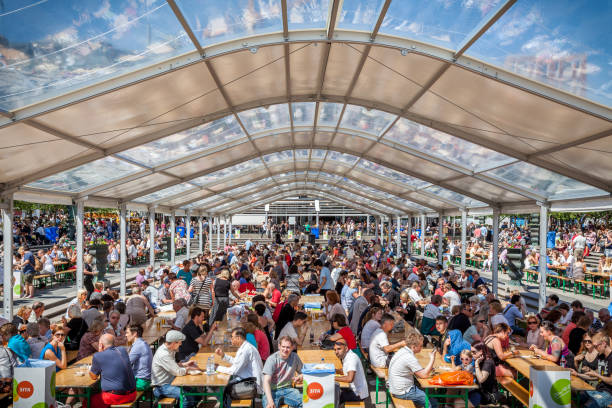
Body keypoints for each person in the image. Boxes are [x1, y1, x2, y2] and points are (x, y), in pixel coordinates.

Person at [216, 327, 264, 408]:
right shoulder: (246, 346)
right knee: (228, 386)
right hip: (250, 380)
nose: (231, 339)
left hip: (253, 385)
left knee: (226, 391)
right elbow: (237, 362)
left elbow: (233, 371)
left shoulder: (245, 350)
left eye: (232, 337)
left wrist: (217, 368)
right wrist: (223, 356)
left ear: (238, 338)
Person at [388, 331, 438, 408]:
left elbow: (416, 371)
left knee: (426, 394)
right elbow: (423, 375)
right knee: (430, 402)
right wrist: (432, 358)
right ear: (413, 347)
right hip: (402, 392)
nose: (422, 347)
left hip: (394, 387)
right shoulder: (410, 357)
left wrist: (426, 369)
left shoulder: (402, 350)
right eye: (421, 346)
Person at [151, 330, 198, 408]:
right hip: (162, 386)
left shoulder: (170, 350)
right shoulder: (164, 354)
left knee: (195, 393)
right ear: (173, 343)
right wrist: (188, 369)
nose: (181, 344)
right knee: (186, 398)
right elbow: (178, 372)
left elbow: (172, 366)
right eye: (179, 342)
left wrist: (184, 364)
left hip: (170, 382)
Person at [89, 333, 138, 408]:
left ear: (101, 345)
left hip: (116, 397)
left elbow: (93, 377)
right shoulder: (122, 350)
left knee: (88, 401)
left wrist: (99, 353)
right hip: (132, 394)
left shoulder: (98, 356)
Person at [262, 336, 303, 408]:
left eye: (288, 347)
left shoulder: (294, 357)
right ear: (279, 346)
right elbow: (266, 381)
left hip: (288, 390)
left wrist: (300, 376)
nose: (285, 349)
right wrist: (270, 400)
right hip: (272, 391)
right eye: (283, 347)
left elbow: (304, 372)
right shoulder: (272, 359)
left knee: (306, 403)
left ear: (292, 347)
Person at [580, 332, 612, 408]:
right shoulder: (601, 357)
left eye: (596, 346)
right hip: (598, 389)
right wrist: (577, 374)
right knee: (577, 395)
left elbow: (611, 381)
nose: (595, 349)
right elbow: (595, 377)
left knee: (589, 406)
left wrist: (597, 375)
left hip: (609, 393)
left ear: (604, 343)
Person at [333, 338, 369, 404]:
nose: (336, 352)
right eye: (335, 349)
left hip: (357, 394)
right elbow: (346, 370)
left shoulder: (351, 358)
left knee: (332, 398)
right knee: (332, 393)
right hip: (351, 390)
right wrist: (334, 371)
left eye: (339, 349)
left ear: (346, 348)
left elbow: (350, 379)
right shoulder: (346, 355)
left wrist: (332, 377)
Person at [469, 342, 501, 406]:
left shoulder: (487, 362)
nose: (472, 354)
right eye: (471, 352)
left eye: (474, 352)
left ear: (481, 351)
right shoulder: (479, 359)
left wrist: (476, 364)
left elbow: (481, 379)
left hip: (487, 395)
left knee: (463, 401)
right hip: (479, 390)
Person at [126, 324, 153, 391]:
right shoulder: (142, 343)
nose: (125, 335)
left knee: (112, 384)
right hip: (145, 379)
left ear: (134, 334)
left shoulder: (138, 346)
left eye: (127, 333)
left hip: (141, 382)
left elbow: (126, 364)